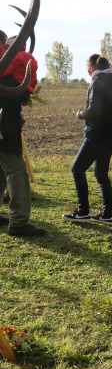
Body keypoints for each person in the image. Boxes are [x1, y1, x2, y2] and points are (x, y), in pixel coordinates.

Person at [64, 54, 112, 224]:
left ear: (92, 66)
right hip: (111, 135)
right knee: (101, 174)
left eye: (87, 66)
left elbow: (93, 112)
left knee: (77, 169)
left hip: (96, 135)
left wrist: (80, 113)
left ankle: (83, 211)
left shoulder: (96, 82)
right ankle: (107, 215)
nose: (87, 70)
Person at [0, 29, 45, 236]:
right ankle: (19, 222)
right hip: (5, 124)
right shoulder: (12, 66)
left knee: (1, 171)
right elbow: (23, 97)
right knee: (17, 171)